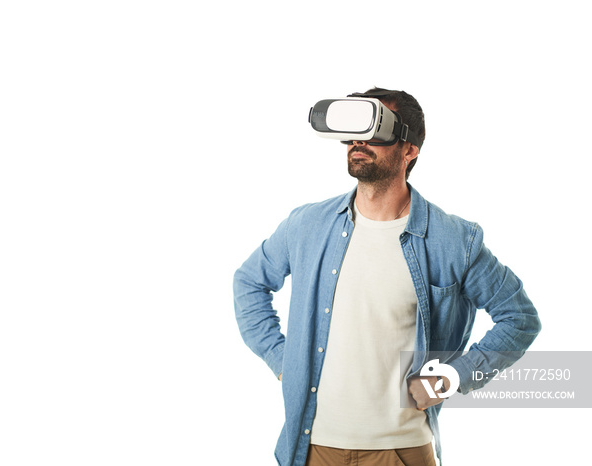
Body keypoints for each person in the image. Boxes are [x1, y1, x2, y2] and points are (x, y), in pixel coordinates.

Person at [232, 88, 541, 466]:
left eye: (375, 130)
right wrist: (283, 359)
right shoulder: (306, 225)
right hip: (311, 448)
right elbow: (249, 282)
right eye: (353, 131)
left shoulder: (454, 240)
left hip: (402, 450)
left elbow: (520, 318)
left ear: (409, 149)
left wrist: (453, 377)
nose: (359, 142)